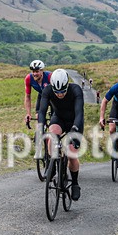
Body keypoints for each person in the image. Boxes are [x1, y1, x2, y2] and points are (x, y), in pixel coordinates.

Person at [37, 69, 85, 201]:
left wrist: (75, 129)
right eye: (57, 91)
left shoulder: (75, 90)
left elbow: (80, 113)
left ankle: (75, 183)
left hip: (75, 121)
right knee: (51, 135)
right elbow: (42, 112)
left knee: (71, 153)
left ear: (67, 85)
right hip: (58, 118)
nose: (60, 94)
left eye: (63, 91)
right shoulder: (47, 91)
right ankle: (51, 165)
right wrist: (40, 130)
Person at [24, 59, 51, 126]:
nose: (34, 74)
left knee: (54, 118)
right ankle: (42, 131)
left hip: (53, 97)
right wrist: (28, 114)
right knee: (38, 116)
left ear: (42, 71)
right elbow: (27, 96)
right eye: (33, 71)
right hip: (42, 96)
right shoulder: (29, 78)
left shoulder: (50, 77)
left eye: (37, 71)